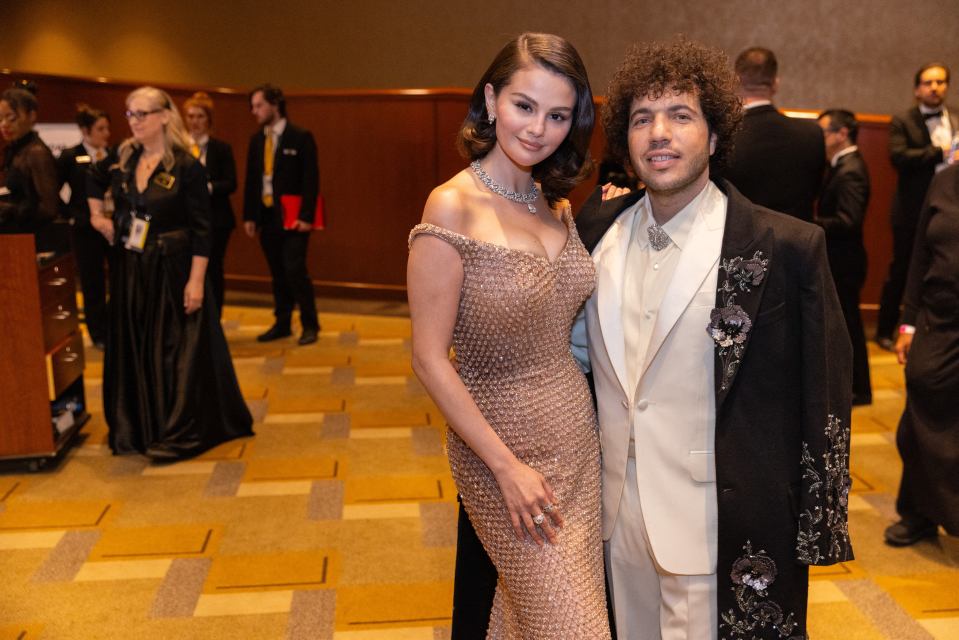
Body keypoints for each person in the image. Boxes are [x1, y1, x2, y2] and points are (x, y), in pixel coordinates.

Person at [569, 39, 853, 638]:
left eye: (680, 115)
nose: (659, 134)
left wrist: (819, 522)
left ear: (717, 136)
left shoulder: (786, 249)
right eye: (641, 119)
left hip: (721, 520)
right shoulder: (596, 230)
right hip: (613, 516)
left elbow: (823, 391)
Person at [407, 33, 611, 638]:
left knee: (520, 623)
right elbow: (428, 358)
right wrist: (506, 468)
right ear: (491, 99)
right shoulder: (451, 206)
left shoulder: (558, 205)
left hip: (579, 442)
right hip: (504, 459)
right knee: (574, 628)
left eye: (557, 116)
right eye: (524, 106)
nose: (538, 130)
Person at [87, 86, 253, 461]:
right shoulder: (124, 158)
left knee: (174, 353)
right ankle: (139, 428)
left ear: (164, 116)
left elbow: (202, 229)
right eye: (129, 115)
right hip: (132, 270)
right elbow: (91, 178)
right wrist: (98, 216)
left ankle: (173, 429)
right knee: (136, 346)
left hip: (173, 269)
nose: (134, 122)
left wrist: (196, 281)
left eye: (141, 114)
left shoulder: (186, 166)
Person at [885, 162, 959, 547]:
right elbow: (920, 255)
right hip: (938, 319)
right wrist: (908, 322)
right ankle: (919, 513)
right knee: (920, 406)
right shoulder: (945, 179)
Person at [875, 63, 958, 349]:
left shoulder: (956, 119)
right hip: (912, 209)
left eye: (940, 82)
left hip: (950, 212)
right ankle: (885, 329)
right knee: (902, 270)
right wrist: (941, 152)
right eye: (928, 82)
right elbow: (899, 156)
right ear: (917, 89)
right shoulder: (903, 120)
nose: (934, 87)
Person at [242, 84, 320, 345]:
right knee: (277, 272)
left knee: (294, 269)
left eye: (259, 105)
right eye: (252, 107)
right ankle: (282, 322)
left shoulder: (300, 137)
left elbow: (311, 180)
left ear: (275, 104)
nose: (254, 111)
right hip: (267, 216)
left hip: (294, 218)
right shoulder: (257, 140)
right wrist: (249, 216)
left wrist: (307, 216)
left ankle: (310, 324)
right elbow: (252, 180)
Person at [721, 47, 825, 223]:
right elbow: (815, 192)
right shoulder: (812, 134)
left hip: (740, 240)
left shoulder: (723, 135)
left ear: (734, 83)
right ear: (775, 84)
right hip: (797, 240)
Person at [816, 109, 872, 405]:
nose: (819, 139)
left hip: (846, 261)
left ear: (842, 134)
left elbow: (849, 220)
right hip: (842, 258)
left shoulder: (851, 170)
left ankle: (859, 390)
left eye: (823, 132)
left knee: (849, 326)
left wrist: (808, 222)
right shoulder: (840, 166)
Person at [58, 104, 115, 349]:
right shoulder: (71, 156)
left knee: (118, 278)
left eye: (107, 128)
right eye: (100, 129)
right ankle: (98, 333)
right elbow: (53, 191)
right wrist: (73, 216)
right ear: (85, 130)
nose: (106, 133)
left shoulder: (113, 155)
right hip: (84, 229)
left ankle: (116, 327)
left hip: (112, 227)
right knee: (92, 282)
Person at [183, 91, 237, 317]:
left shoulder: (220, 149)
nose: (194, 121)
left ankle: (214, 317)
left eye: (200, 116)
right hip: (187, 220)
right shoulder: (180, 149)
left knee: (213, 269)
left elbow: (230, 183)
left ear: (209, 120)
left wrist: (207, 188)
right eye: (191, 116)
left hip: (217, 219)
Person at [0, 84, 60, 248]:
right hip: (14, 239)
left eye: (11, 118)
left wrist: (11, 210)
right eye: (0, 119)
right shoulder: (15, 149)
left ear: (31, 116)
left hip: (32, 242)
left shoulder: (36, 152)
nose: (4, 124)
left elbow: (49, 208)